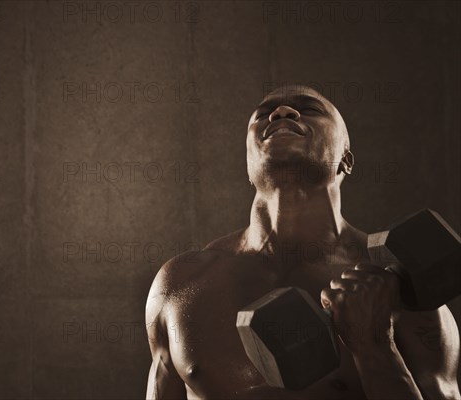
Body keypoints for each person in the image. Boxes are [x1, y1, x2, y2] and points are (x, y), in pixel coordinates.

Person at [144, 85, 461, 399]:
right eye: (264, 114)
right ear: (248, 164)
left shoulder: (403, 293)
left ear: (346, 160)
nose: (281, 113)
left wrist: (374, 345)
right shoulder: (182, 281)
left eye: (309, 109)